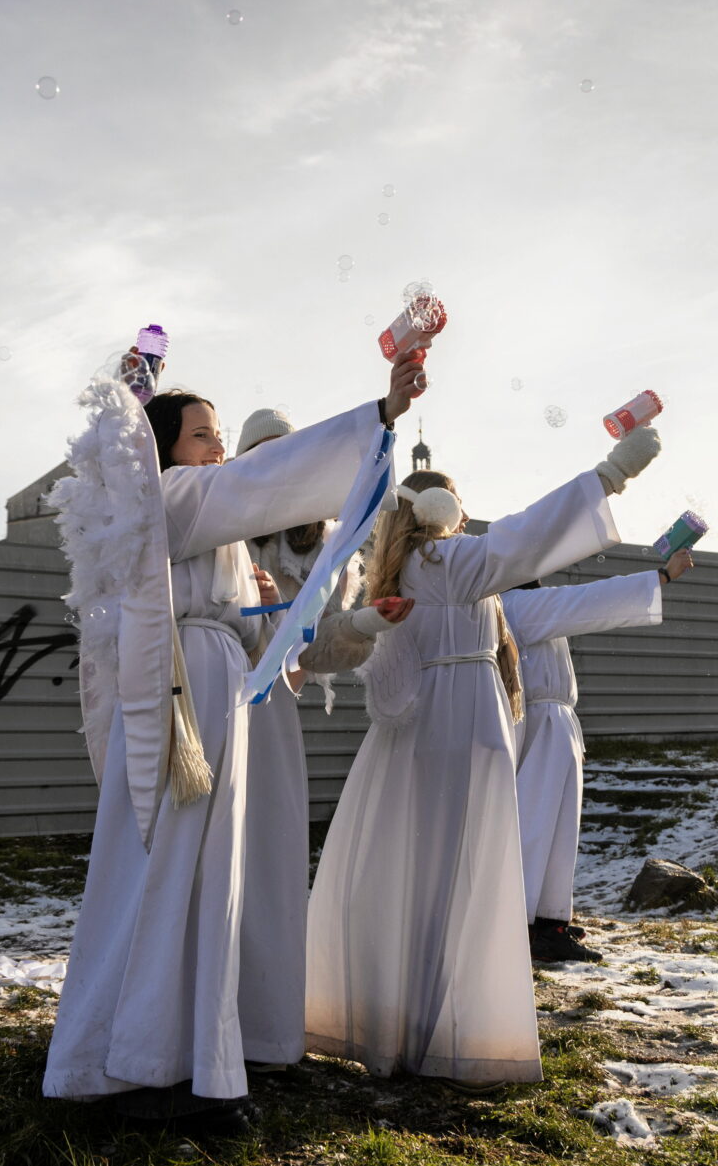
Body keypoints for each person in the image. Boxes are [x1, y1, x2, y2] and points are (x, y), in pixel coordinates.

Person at [42, 347, 429, 1137]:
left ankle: (186, 1051)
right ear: (162, 448)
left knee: (204, 875)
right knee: (175, 871)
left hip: (215, 690)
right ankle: (147, 1063)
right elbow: (261, 480)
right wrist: (378, 416)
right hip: (186, 694)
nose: (219, 447)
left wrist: (273, 612)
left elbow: (268, 626)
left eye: (219, 433)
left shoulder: (208, 524)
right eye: (203, 434)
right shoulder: (172, 496)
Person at [304, 426, 660, 1089]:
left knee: (421, 872)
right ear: (438, 513)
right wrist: (611, 473)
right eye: (459, 505)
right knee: (461, 876)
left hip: (432, 724)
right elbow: (526, 536)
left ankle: (403, 1021)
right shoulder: (447, 562)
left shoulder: (404, 570)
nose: (467, 518)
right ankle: (445, 1028)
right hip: (465, 720)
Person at [234, 409, 413, 1073]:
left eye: (288, 451)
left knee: (270, 858)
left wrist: (367, 620)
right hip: (210, 698)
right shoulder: (223, 526)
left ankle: (264, 1028)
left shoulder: (324, 547)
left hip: (271, 714)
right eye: (262, 452)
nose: (277, 464)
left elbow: (319, 645)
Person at [504, 548, 692, 964]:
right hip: (540, 726)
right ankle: (532, 924)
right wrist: (660, 577)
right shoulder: (520, 604)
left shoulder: (514, 604)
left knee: (552, 829)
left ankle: (545, 919)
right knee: (538, 828)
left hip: (547, 723)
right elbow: (588, 602)